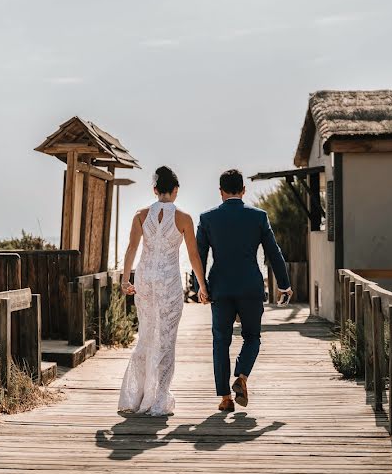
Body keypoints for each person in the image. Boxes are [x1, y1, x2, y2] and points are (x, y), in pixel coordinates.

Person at [196, 169, 292, 412]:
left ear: (221, 192)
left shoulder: (208, 218)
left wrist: (200, 287)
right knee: (252, 337)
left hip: (220, 289)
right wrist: (284, 284)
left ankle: (226, 399)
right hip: (250, 287)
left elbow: (199, 255)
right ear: (243, 190)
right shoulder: (258, 217)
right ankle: (242, 377)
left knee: (221, 341)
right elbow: (274, 252)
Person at [117, 166, 209, 416]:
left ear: (155, 189)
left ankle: (135, 397)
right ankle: (157, 400)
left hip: (146, 280)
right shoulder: (184, 218)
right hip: (168, 283)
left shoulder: (140, 215)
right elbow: (193, 255)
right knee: (166, 341)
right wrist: (202, 286)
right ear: (176, 190)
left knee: (146, 335)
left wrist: (126, 280)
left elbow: (131, 250)